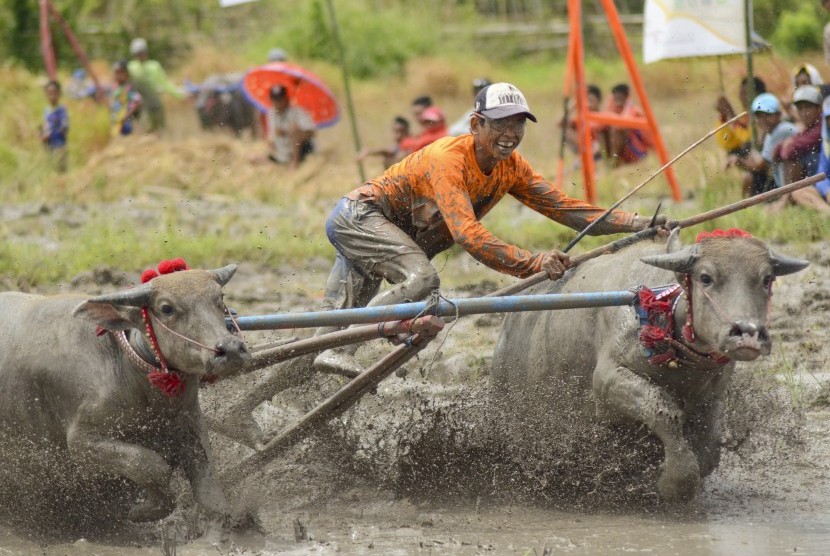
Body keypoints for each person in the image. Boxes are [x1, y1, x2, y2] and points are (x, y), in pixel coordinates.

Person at [313, 82, 668, 376]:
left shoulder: (512, 168)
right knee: (422, 279)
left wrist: (639, 223)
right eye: (500, 124)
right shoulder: (448, 161)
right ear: (475, 125)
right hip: (361, 217)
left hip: (388, 237)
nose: (510, 134)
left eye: (519, 124)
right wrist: (533, 261)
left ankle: (263, 392)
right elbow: (467, 234)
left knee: (321, 340)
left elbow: (567, 210)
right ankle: (353, 343)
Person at [769, 85, 823, 211]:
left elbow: (788, 152)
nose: (804, 113)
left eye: (808, 107)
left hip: (824, 177)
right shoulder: (807, 129)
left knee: (793, 161)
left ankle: (785, 201)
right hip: (816, 177)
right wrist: (785, 145)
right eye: (800, 109)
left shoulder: (821, 127)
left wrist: (788, 144)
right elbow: (775, 152)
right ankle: (787, 199)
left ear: (819, 108)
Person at [716, 76, 772, 196]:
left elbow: (749, 138)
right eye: (741, 93)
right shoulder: (746, 116)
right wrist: (724, 117)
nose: (742, 97)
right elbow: (728, 143)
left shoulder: (765, 114)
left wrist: (731, 114)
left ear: (758, 95)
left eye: (746, 93)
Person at [732, 93, 796, 196]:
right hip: (782, 183)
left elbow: (760, 166)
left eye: (768, 115)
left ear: (778, 115)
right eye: (759, 116)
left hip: (793, 185)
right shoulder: (770, 132)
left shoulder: (782, 130)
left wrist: (739, 160)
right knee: (749, 177)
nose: (763, 120)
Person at [127, 37, 185, 132]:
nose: (140, 55)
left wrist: (180, 96)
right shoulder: (130, 67)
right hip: (142, 106)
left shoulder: (154, 66)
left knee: (161, 129)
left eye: (142, 52)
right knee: (146, 129)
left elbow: (165, 84)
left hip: (156, 103)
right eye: (138, 53)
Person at [790, 95, 830, 214]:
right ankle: (827, 212)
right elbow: (822, 176)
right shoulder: (827, 144)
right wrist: (828, 190)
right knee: (798, 192)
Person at [266, 85, 316, 169]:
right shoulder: (271, 113)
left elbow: (311, 132)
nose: (278, 102)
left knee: (294, 129)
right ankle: (282, 161)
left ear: (286, 99)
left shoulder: (297, 111)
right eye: (275, 100)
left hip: (302, 150)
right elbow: (271, 136)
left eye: (280, 99)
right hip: (283, 151)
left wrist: (288, 132)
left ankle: (294, 163)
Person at [604, 83, 652, 167]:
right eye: (615, 98)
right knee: (603, 130)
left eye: (620, 98)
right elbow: (597, 125)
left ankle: (613, 163)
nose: (617, 101)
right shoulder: (616, 111)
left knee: (617, 130)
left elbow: (619, 126)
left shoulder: (635, 111)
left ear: (626, 97)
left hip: (639, 152)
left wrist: (627, 105)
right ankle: (609, 161)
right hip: (626, 152)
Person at [563, 84, 604, 162]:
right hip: (586, 148)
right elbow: (560, 123)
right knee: (566, 130)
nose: (588, 104)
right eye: (586, 101)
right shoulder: (582, 117)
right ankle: (583, 157)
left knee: (597, 144)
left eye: (591, 101)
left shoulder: (602, 116)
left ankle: (586, 159)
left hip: (599, 150)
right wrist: (574, 104)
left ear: (598, 101)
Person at [40, 80, 69, 173]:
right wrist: (43, 134)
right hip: (49, 144)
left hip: (59, 144)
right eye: (49, 93)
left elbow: (65, 126)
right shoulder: (46, 110)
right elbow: (45, 124)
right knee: (50, 167)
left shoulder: (62, 110)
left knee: (61, 168)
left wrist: (55, 131)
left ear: (59, 94)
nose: (52, 96)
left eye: (54, 93)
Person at [110, 60, 143, 137]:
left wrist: (126, 116)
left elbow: (138, 102)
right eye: (116, 73)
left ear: (126, 74)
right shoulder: (115, 87)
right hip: (116, 120)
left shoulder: (129, 87)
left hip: (127, 121)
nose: (117, 75)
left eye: (120, 72)